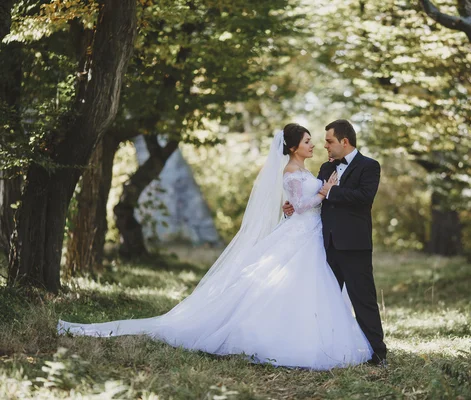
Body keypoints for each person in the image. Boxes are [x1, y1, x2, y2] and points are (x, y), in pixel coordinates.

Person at [58, 123, 373, 370]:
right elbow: (304, 203)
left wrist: (309, 198)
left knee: (312, 288)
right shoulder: (291, 171)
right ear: (293, 147)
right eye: (307, 141)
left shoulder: (309, 170)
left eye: (314, 141)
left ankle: (314, 336)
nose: (313, 144)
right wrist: (323, 193)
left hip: (310, 235)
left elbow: (295, 204)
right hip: (301, 234)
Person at [283, 119, 387, 366]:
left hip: (354, 245)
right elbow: (313, 199)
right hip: (323, 244)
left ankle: (378, 352)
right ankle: (325, 349)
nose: (325, 146)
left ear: (344, 141)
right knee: (325, 300)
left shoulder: (369, 166)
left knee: (364, 299)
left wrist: (329, 192)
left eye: (329, 141)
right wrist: (293, 207)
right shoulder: (324, 167)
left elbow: (363, 198)